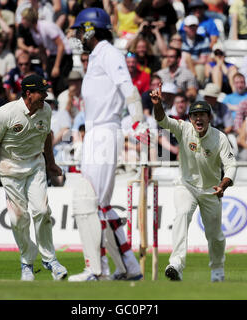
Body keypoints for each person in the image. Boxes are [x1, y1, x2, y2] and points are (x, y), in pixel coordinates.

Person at [69, 7, 147, 281]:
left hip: (104, 132)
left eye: (80, 29)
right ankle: (128, 267)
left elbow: (128, 87)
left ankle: (95, 269)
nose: (78, 35)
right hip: (95, 133)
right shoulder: (95, 56)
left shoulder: (109, 53)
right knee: (98, 204)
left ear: (91, 29)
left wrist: (137, 121)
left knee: (89, 202)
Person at [0, 74, 67, 281]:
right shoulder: (4, 113)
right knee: (18, 218)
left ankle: (50, 259)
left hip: (36, 165)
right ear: (28, 93)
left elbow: (47, 135)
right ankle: (27, 262)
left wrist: (51, 163)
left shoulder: (45, 110)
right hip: (10, 169)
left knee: (42, 211)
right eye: (42, 92)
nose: (45, 96)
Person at [150, 83, 236, 282]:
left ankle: (217, 270)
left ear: (209, 118)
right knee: (181, 215)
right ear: (190, 118)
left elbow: (231, 165)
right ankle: (176, 265)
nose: (199, 118)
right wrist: (157, 104)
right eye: (195, 116)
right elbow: (162, 120)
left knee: (215, 235)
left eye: (203, 115)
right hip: (186, 185)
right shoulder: (184, 129)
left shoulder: (220, 138)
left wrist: (223, 185)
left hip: (211, 189)